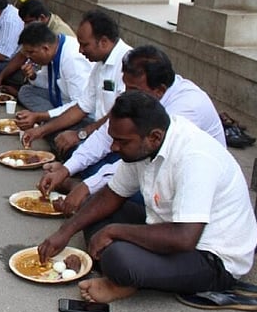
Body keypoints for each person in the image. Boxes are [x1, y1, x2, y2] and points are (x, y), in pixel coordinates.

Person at [38, 91, 257, 309]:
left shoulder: (195, 158)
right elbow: (112, 194)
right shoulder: (144, 145)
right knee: (92, 205)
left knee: (118, 258)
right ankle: (133, 274)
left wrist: (114, 232)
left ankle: (124, 281)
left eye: (121, 141)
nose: (114, 147)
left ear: (154, 137)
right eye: (113, 139)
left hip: (211, 257)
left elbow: (184, 238)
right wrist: (65, 232)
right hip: (168, 226)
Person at [38, 45, 226, 215]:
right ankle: (84, 188)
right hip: (142, 164)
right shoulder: (141, 96)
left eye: (133, 89)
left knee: (114, 197)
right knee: (89, 159)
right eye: (125, 87)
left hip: (181, 187)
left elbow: (139, 163)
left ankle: (83, 190)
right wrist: (66, 169)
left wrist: (87, 186)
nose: (126, 93)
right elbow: (105, 135)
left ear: (159, 90)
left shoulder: (187, 108)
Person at [20, 11, 132, 156]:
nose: (80, 50)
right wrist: (40, 131)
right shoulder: (99, 64)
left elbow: (117, 117)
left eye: (85, 45)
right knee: (60, 138)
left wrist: (80, 134)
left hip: (114, 138)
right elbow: (81, 106)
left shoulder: (129, 64)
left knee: (69, 146)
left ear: (104, 42)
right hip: (98, 130)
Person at [0, 0, 77, 97]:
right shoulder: (35, 30)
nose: (25, 26)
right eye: (24, 23)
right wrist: (0, 78)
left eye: (28, 22)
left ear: (41, 18)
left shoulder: (60, 34)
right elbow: (22, 55)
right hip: (43, 76)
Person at [7, 22, 92, 125]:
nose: (28, 57)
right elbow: (47, 83)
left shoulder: (72, 60)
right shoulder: (53, 51)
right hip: (61, 98)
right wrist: (33, 76)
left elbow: (80, 105)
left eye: (31, 52)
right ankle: (52, 120)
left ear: (45, 48)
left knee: (62, 130)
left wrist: (40, 116)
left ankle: (53, 122)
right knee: (26, 91)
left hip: (81, 111)